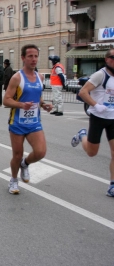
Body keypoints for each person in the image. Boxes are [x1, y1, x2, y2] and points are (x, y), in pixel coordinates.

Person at [3, 44, 52, 194]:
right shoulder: (17, 77)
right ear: (23, 58)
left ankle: (25, 164)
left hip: (34, 122)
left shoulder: (40, 77)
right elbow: (6, 100)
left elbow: (38, 96)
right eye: (30, 56)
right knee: (17, 155)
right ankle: (13, 180)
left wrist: (43, 104)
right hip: (17, 122)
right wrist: (21, 105)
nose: (33, 59)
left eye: (36, 56)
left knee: (40, 152)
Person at [71, 48, 114, 197]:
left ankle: (112, 185)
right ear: (107, 59)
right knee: (91, 152)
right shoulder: (100, 75)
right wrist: (96, 105)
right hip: (98, 117)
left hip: (113, 118)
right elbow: (83, 92)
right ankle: (82, 135)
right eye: (113, 57)